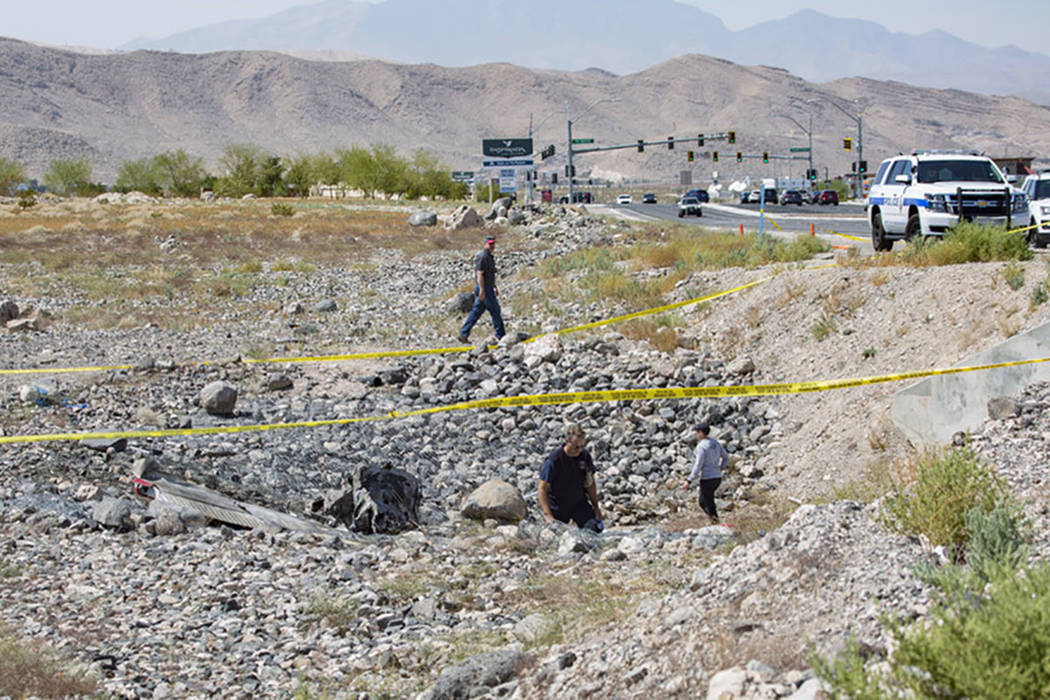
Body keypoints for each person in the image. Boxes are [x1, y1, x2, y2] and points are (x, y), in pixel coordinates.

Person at [538, 424, 604, 532]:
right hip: (558, 506)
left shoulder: (584, 456)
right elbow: (542, 489)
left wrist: (596, 507)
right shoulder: (554, 460)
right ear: (567, 441)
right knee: (556, 536)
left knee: (595, 530)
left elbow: (590, 484)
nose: (579, 450)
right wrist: (548, 515)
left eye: (582, 446)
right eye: (576, 447)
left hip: (579, 503)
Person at [458, 235, 505, 342]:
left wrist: (495, 287)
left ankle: (463, 334)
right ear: (485, 244)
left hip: (488, 287)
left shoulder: (489, 256)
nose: (492, 246)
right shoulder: (483, 256)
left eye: (493, 244)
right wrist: (482, 289)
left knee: (477, 311)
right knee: (495, 311)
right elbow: (479, 274)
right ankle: (501, 335)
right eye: (490, 244)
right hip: (484, 288)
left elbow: (490, 275)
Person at [683, 421, 729, 524]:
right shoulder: (716, 443)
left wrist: (689, 480)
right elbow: (726, 458)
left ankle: (716, 522)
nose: (696, 434)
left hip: (707, 478)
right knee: (708, 500)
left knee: (704, 502)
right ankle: (715, 521)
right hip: (717, 477)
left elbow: (698, 464)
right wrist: (719, 468)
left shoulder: (701, 446)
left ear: (701, 433)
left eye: (697, 432)